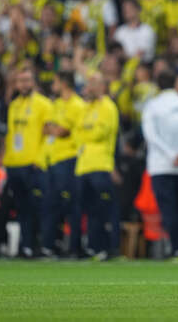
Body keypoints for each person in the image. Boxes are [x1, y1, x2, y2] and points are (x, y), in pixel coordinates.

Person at [142, 70, 178, 257]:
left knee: (169, 209)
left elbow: (151, 136)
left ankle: (176, 248)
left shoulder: (152, 106)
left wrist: (170, 154)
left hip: (161, 165)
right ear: (175, 83)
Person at [3, 67, 53, 258]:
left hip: (33, 164)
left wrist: (40, 159)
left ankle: (43, 245)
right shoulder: (14, 105)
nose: (23, 84)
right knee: (22, 208)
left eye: (27, 80)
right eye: (20, 80)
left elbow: (49, 135)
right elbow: (11, 134)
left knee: (40, 207)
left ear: (34, 82)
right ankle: (26, 247)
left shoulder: (44, 104)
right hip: (14, 163)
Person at [41, 71, 86, 257]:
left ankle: (74, 247)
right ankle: (52, 245)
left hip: (69, 160)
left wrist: (55, 129)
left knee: (71, 205)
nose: (53, 84)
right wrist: (54, 129)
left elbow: (62, 131)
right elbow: (45, 128)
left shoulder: (78, 105)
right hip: (53, 160)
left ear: (64, 83)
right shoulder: (56, 103)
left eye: (55, 81)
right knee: (53, 204)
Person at [75, 72, 119, 259]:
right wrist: (86, 133)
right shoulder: (85, 108)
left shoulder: (108, 107)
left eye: (93, 83)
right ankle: (94, 247)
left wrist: (85, 133)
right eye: (88, 83)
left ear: (102, 87)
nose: (89, 87)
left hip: (101, 164)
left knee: (103, 209)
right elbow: (76, 133)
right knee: (89, 209)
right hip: (83, 165)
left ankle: (109, 248)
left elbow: (99, 133)